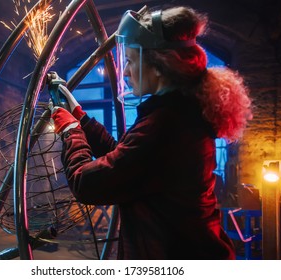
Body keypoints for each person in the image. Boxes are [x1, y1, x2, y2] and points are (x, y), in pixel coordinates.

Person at [50, 5, 252, 259]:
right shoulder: (178, 113)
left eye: (131, 61)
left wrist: (70, 130)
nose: (124, 71)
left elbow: (86, 184)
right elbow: (127, 160)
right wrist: (80, 117)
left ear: (158, 66)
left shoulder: (164, 126)